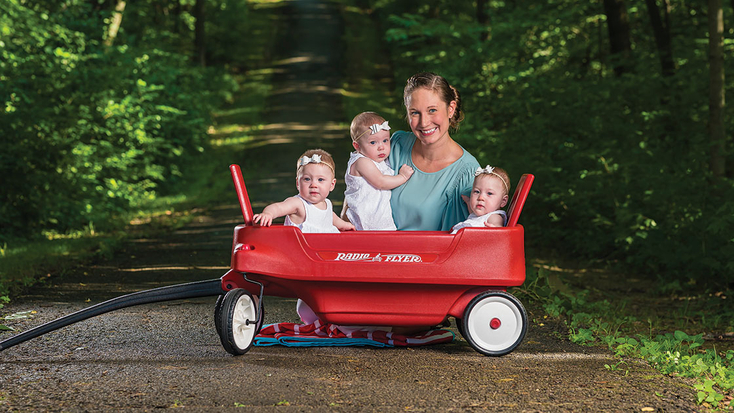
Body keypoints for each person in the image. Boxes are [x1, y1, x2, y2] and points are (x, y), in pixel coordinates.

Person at [388, 72, 481, 231]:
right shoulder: (396, 145)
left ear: (450, 109)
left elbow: (460, 243)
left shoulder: (467, 173)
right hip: (375, 252)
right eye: (415, 113)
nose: (424, 123)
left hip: (429, 255)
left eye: (432, 110)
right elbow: (360, 189)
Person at [253, 149, 355, 233]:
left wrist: (344, 225)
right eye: (307, 179)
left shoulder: (327, 204)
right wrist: (268, 214)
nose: (313, 185)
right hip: (301, 253)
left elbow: (331, 218)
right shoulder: (298, 203)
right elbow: (278, 207)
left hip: (323, 252)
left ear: (331, 185)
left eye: (320, 180)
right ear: (298, 183)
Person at [344, 112, 414, 230]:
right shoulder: (362, 162)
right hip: (364, 218)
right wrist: (402, 176)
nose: (381, 147)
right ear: (357, 146)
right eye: (373, 142)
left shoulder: (378, 160)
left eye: (385, 140)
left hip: (378, 217)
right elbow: (381, 182)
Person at [451, 166, 511, 234]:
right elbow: (472, 212)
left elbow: (499, 230)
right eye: (477, 192)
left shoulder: (494, 217)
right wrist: (468, 201)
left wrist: (494, 231)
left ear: (503, 201)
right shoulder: (477, 216)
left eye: (489, 193)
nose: (481, 197)